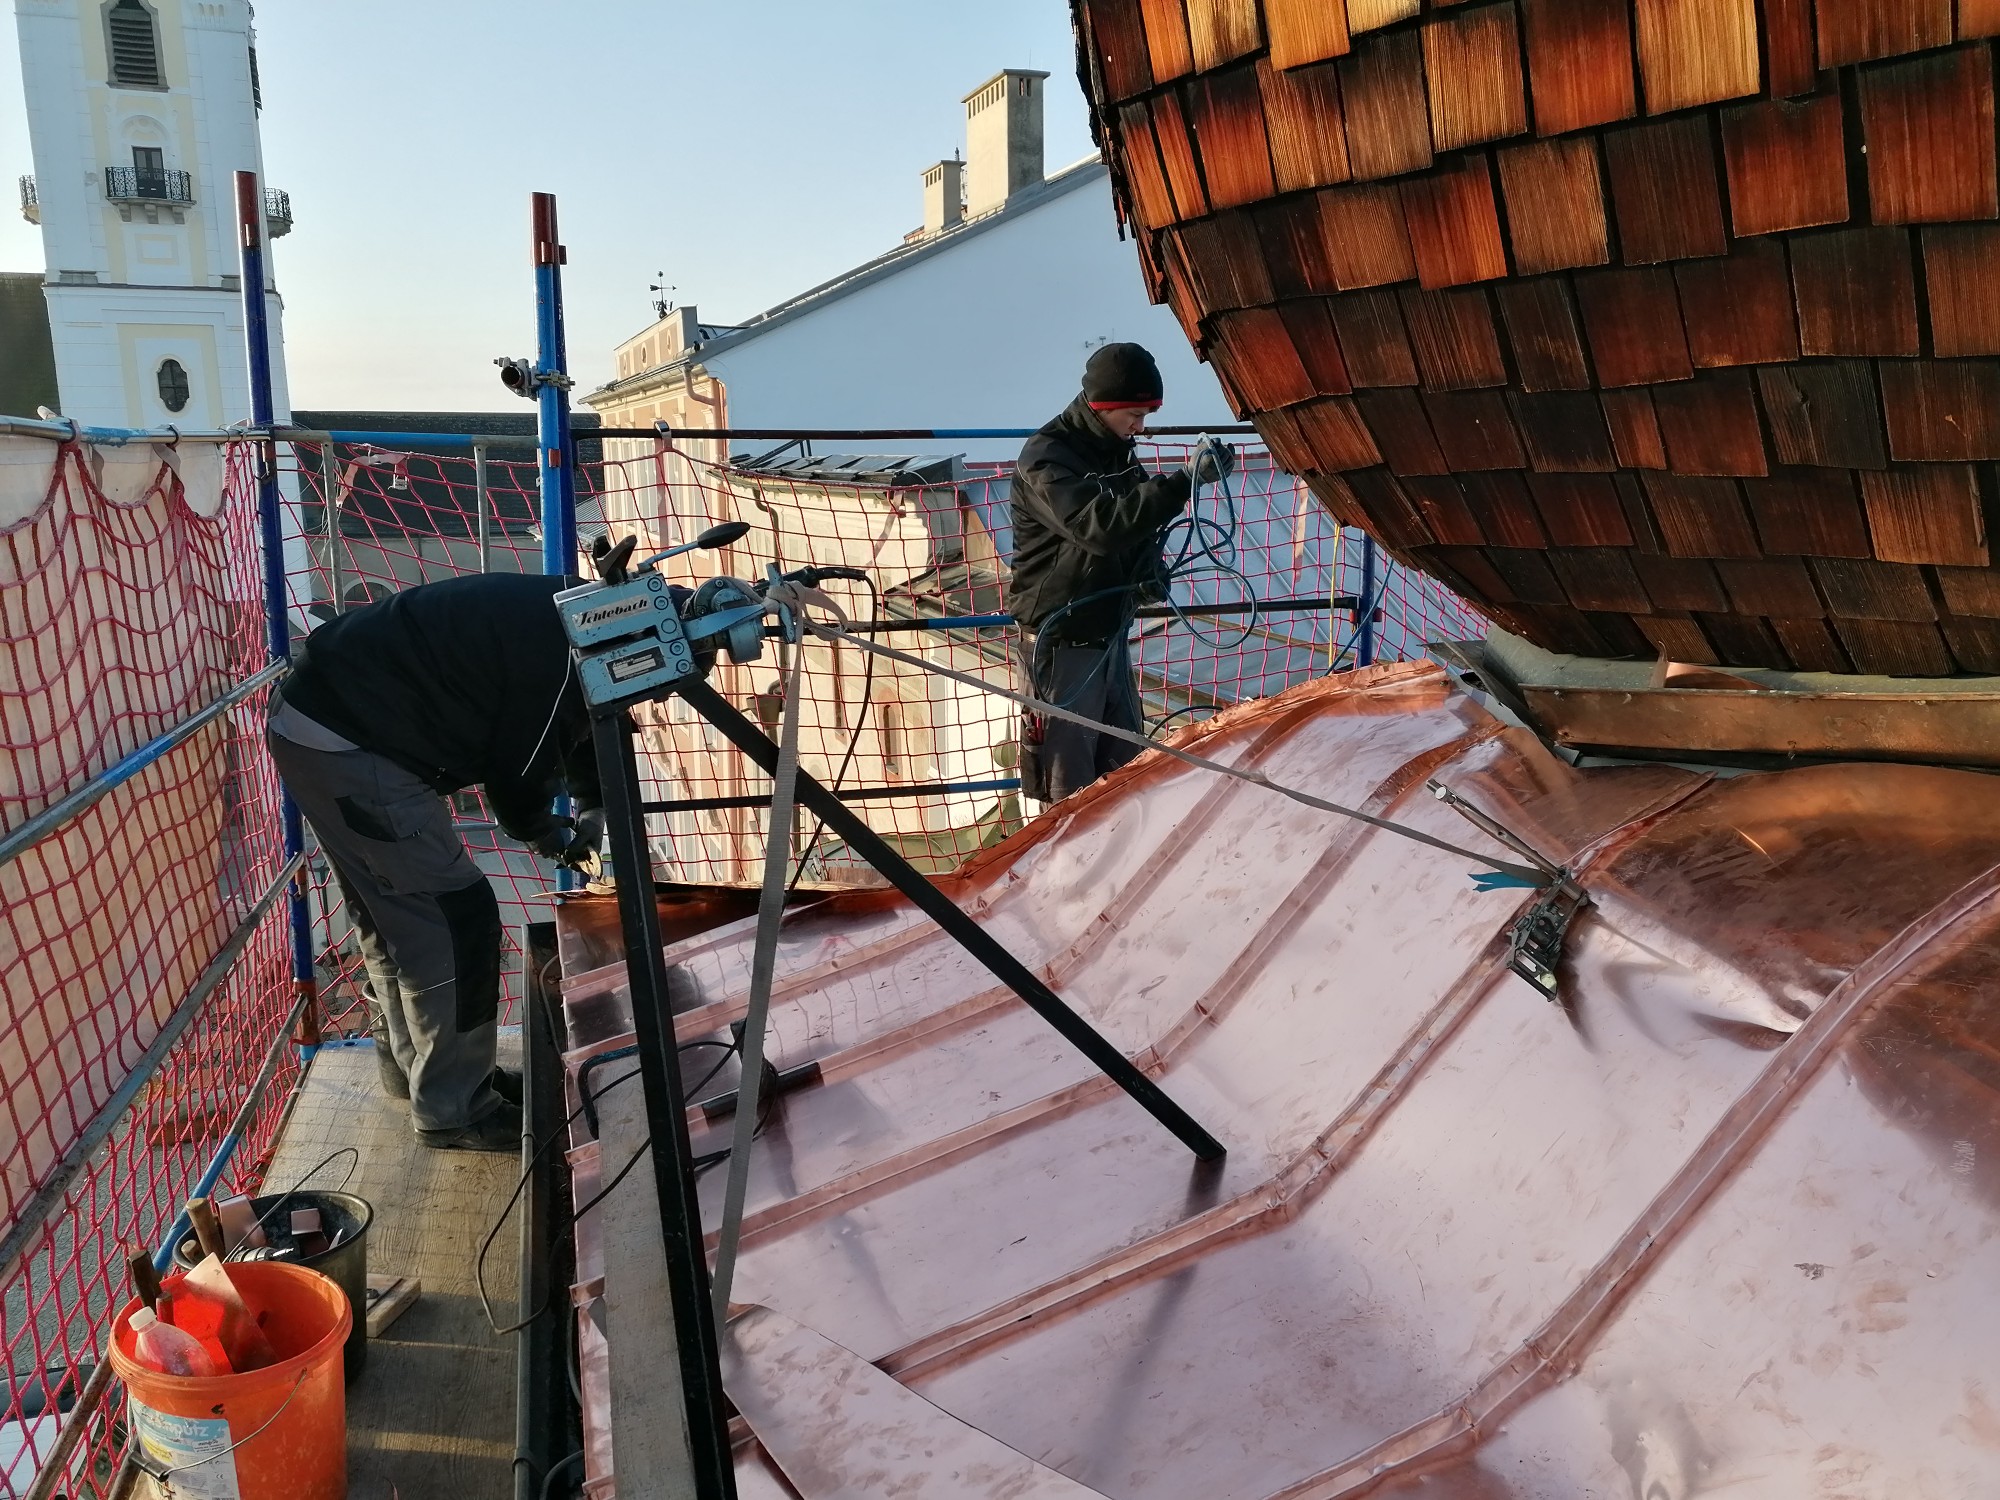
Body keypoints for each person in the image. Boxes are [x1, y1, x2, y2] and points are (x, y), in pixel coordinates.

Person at [266, 572, 604, 1151]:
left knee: (394, 915)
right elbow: (519, 776)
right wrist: (547, 833)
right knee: (456, 919)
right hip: (352, 745)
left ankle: (419, 1072)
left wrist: (592, 799)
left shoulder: (581, 611)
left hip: (314, 722)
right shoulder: (557, 656)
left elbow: (581, 712)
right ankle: (457, 1109)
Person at [1008, 342, 1233, 803]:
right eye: (1134, 414)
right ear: (1102, 406)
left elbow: (1133, 526)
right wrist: (1182, 481)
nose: (1140, 427)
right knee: (1067, 792)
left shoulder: (1117, 451)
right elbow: (1098, 528)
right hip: (1060, 643)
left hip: (1109, 633)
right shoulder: (1046, 458)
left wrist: (1148, 571)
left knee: (1125, 771)